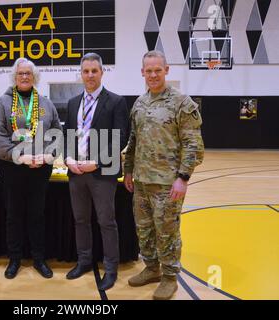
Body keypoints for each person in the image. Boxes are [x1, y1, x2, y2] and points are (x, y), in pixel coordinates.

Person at [123, 50, 204, 300]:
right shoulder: (139, 103)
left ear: (166, 70)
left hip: (168, 184)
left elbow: (194, 145)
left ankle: (169, 277)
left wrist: (183, 177)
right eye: (149, 70)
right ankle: (151, 268)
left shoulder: (182, 103)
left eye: (158, 69)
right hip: (142, 181)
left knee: (167, 231)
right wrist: (128, 171)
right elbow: (133, 140)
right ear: (142, 73)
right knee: (144, 229)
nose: (153, 74)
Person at [0, 57, 62, 280]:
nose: (24, 77)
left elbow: (57, 134)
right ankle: (15, 259)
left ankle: (39, 259)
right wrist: (20, 157)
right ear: (15, 77)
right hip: (11, 168)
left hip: (39, 168)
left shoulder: (46, 103)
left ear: (34, 77)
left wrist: (48, 155)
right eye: (20, 73)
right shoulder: (3, 102)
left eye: (28, 74)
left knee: (37, 214)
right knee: (13, 215)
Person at [63, 52, 129, 291]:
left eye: (94, 71)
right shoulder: (72, 103)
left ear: (102, 72)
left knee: (106, 222)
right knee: (81, 220)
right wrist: (68, 158)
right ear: (81, 74)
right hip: (76, 172)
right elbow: (68, 136)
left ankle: (111, 269)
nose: (90, 75)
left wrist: (98, 162)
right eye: (86, 71)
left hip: (102, 173)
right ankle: (84, 261)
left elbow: (121, 137)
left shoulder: (116, 101)